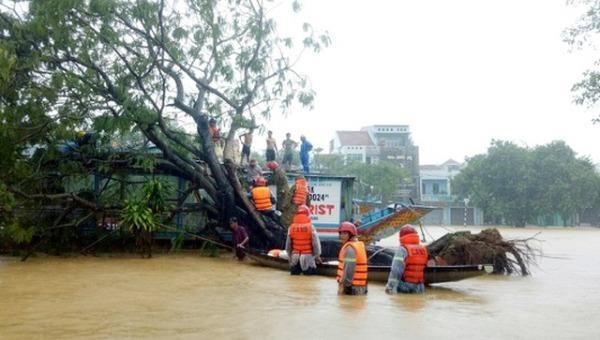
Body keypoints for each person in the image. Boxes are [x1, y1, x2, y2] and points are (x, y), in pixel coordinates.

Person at [385, 224, 428, 294]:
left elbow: (396, 270)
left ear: (401, 236)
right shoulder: (423, 249)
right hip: (420, 288)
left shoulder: (402, 249)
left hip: (405, 287)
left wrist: (390, 287)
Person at [285, 205, 322, 275]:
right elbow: (316, 244)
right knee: (309, 281)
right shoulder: (311, 227)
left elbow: (288, 246)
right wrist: (317, 256)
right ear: (308, 214)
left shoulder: (291, 227)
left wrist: (290, 257)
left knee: (294, 281)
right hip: (307, 259)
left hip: (295, 258)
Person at [336, 221, 368, 295]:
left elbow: (349, 269)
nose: (341, 236)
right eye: (341, 233)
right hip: (360, 286)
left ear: (351, 234)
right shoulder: (358, 245)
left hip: (352, 287)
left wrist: (343, 287)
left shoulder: (350, 248)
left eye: (344, 233)